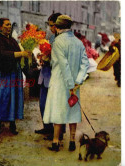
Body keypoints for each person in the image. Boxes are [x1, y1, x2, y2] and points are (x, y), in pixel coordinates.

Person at [43, 15, 89, 152]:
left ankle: (56, 142)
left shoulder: (58, 42)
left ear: (57, 27)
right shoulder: (78, 42)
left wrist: (69, 85)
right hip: (75, 83)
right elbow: (85, 63)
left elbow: (63, 65)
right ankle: (72, 141)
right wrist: (77, 82)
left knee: (59, 111)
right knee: (72, 110)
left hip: (60, 81)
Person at [0, 18, 31, 135]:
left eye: (10, 25)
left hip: (12, 73)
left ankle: (12, 123)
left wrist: (25, 53)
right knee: (2, 98)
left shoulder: (11, 39)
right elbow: (1, 54)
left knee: (13, 98)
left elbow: (16, 51)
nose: (9, 27)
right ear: (0, 27)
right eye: (6, 25)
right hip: (2, 74)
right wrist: (21, 54)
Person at [35, 13, 66, 141]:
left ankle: (59, 133)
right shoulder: (52, 37)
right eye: (49, 25)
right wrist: (43, 58)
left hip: (55, 78)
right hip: (45, 76)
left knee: (57, 106)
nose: (50, 28)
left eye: (52, 25)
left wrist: (48, 59)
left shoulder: (63, 39)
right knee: (43, 104)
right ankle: (47, 127)